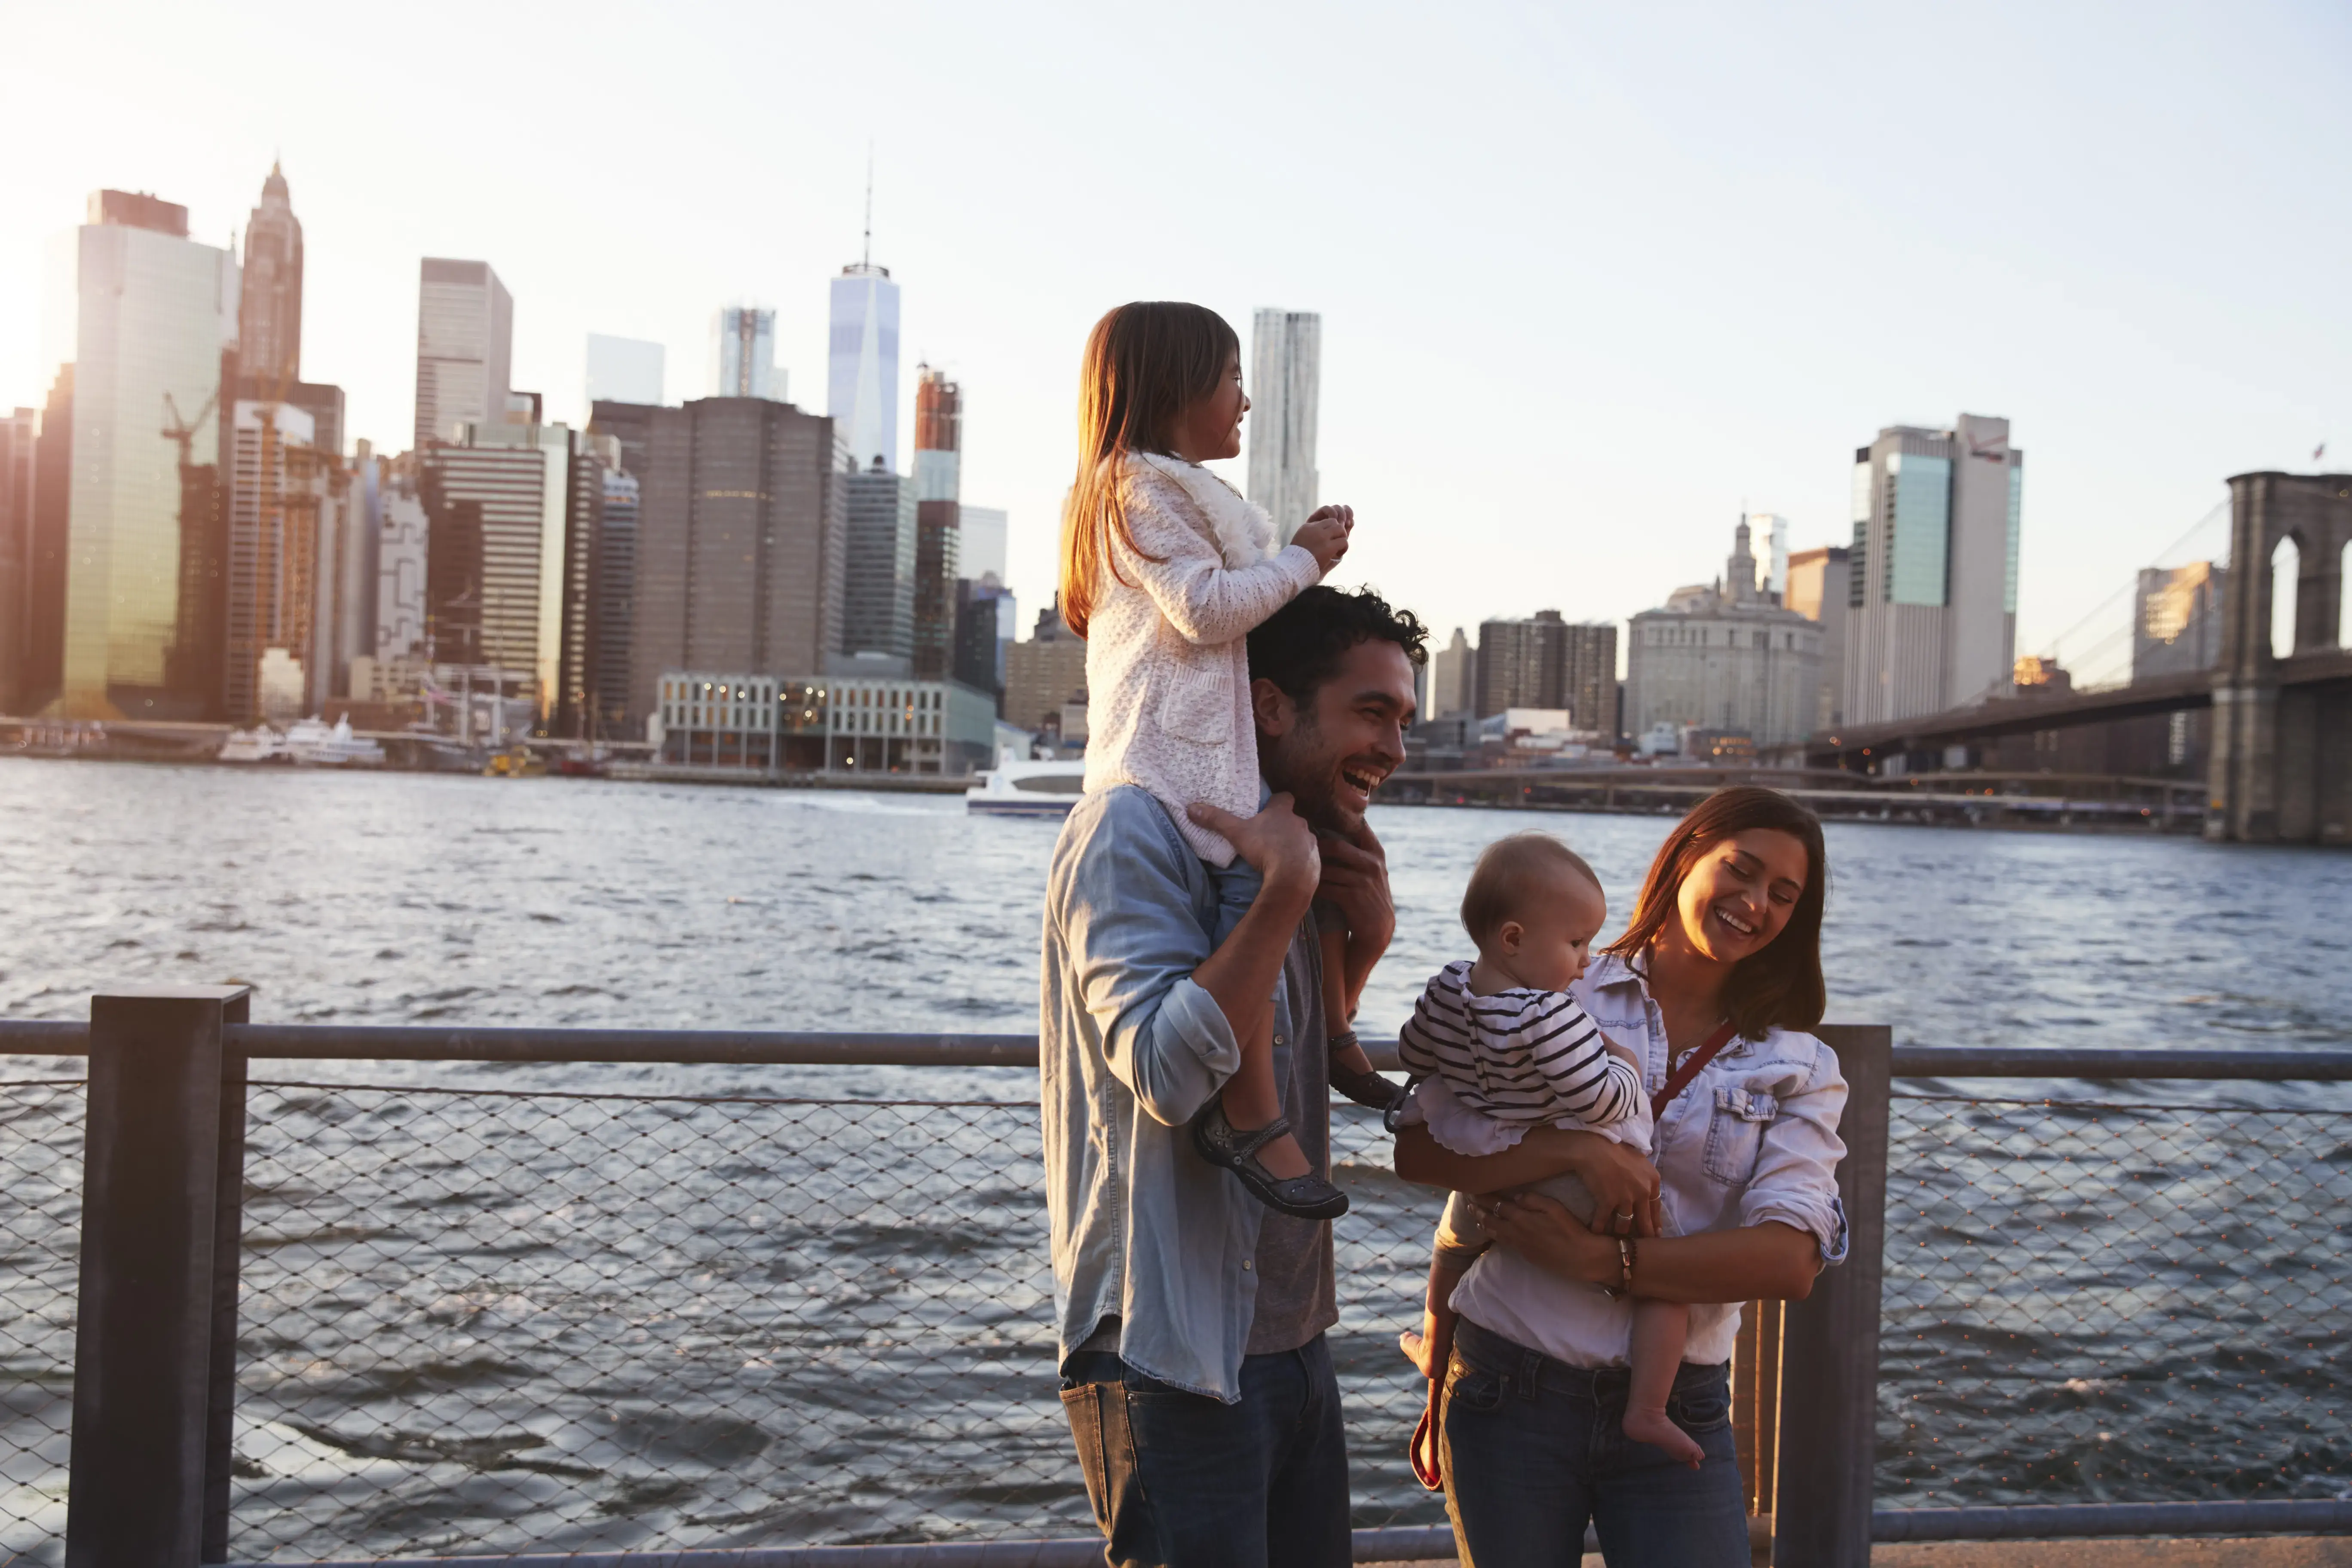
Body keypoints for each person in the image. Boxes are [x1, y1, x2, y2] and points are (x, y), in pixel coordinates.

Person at [1041, 582, 1426, 1568]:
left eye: (1404, 720)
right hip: (1171, 1354)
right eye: (1372, 713)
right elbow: (1167, 1072)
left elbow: (1303, 1053)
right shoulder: (1134, 831)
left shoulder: (1284, 842)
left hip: (1294, 1342)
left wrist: (1363, 940)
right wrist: (1280, 896)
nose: (1394, 747)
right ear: (1268, 707)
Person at [1392, 786, 1850, 1568]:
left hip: (1680, 1404)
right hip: (1508, 1383)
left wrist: (1606, 1263)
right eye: (1739, 871)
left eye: (1784, 895)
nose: (1756, 904)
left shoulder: (1798, 1063)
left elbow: (1791, 1259)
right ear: (1684, 859)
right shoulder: (1556, 976)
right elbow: (1418, 1149)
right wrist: (1576, 1153)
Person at [1060, 300, 1385, 1220]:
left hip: (1212, 756)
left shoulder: (1176, 491)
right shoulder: (1134, 488)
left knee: (1308, 867)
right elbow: (1206, 611)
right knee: (1255, 898)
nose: (1244, 401)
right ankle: (1254, 1118)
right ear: (1176, 384)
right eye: (1233, 379)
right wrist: (1304, 559)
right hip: (1170, 761)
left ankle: (1331, 1046)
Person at [1396, 832, 1705, 1475]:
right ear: (1513, 939)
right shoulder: (1551, 1015)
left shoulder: (1448, 987)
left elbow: (1414, 1052)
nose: (1587, 962)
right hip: (1570, 1180)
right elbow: (1598, 1103)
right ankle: (1648, 1408)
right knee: (1668, 1276)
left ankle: (1434, 1343)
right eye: (1576, 944)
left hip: (1491, 1171)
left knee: (1454, 1246)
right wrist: (1623, 1065)